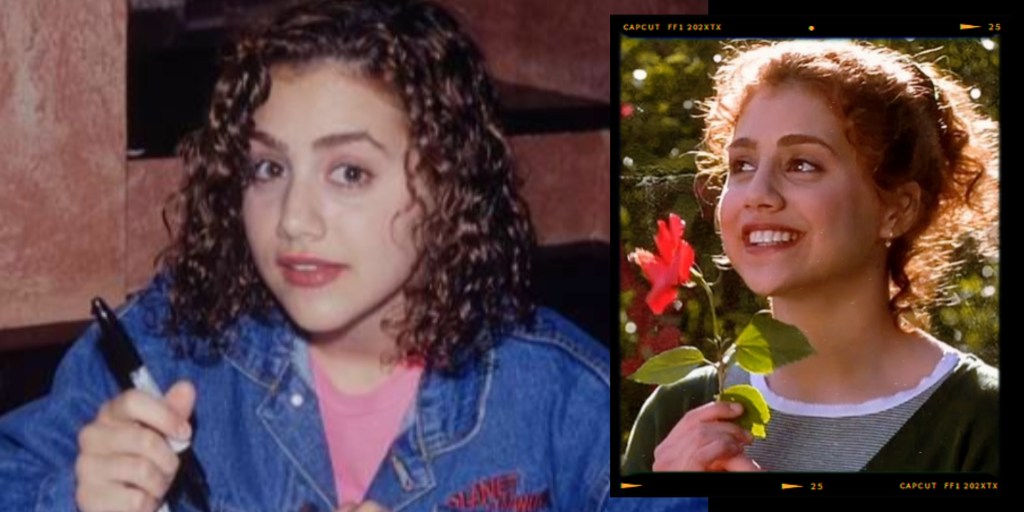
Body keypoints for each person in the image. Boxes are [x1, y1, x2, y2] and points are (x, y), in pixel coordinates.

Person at [0, 1, 707, 511]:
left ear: (446, 181)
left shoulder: (559, 392)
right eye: (267, 170)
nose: (294, 221)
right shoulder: (164, 347)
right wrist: (67, 501)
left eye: (349, 173)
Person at [622, 40, 999, 474]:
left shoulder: (979, 421)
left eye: (802, 164)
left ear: (896, 210)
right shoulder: (678, 412)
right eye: (742, 165)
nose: (757, 195)